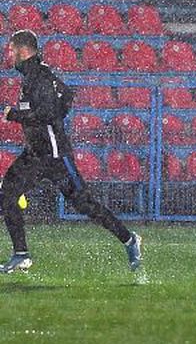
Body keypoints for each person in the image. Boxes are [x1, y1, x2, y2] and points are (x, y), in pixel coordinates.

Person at [0, 29, 141, 273]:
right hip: (35, 154)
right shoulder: (36, 74)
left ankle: (130, 239)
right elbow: (66, 95)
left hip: (55, 156)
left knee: (84, 204)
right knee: (7, 193)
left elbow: (46, 114)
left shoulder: (39, 77)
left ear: (23, 51)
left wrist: (15, 115)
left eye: (12, 50)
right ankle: (21, 254)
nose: (9, 55)